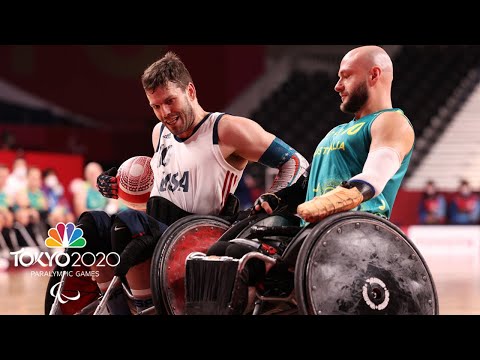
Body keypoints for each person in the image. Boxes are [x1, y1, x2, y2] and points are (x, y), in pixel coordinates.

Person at [74, 51, 309, 314]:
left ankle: (144, 307)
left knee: (127, 226)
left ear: (191, 91)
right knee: (90, 226)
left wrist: (274, 195)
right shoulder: (159, 133)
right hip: (160, 229)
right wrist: (121, 186)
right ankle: (114, 306)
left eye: (170, 101)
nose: (164, 112)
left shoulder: (226, 129)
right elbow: (164, 189)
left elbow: (295, 162)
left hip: (198, 235)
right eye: (155, 106)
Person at [211, 45, 415, 314]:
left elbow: (373, 178)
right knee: (220, 250)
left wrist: (333, 201)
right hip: (311, 232)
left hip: (352, 234)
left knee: (242, 259)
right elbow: (310, 183)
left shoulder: (391, 122)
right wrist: (279, 198)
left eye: (345, 76)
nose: (337, 85)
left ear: (374, 75)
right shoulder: (337, 131)